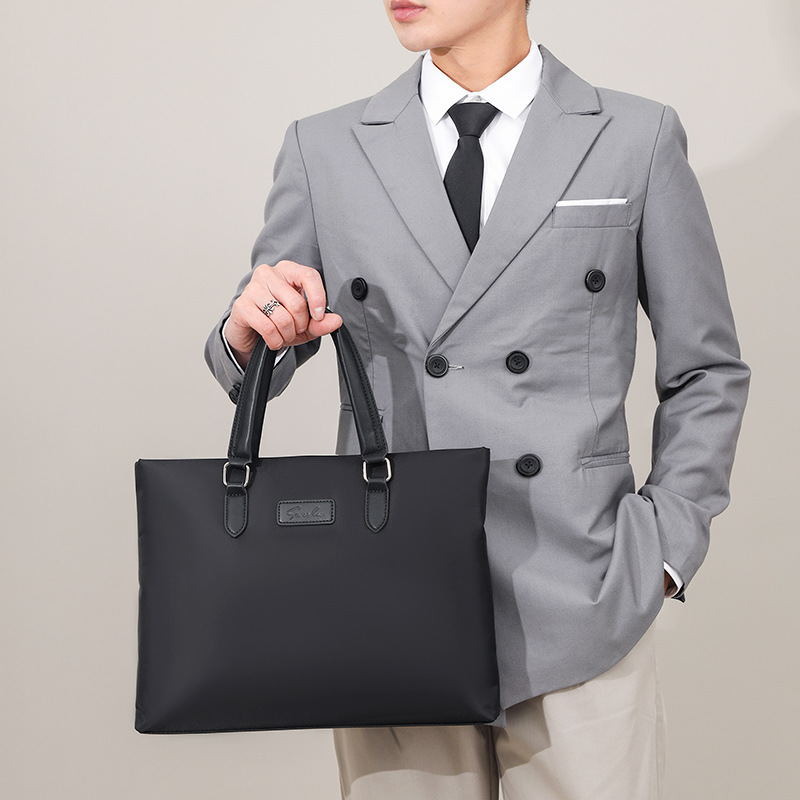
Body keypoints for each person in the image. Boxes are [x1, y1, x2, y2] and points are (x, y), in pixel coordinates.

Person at [204, 0, 751, 796]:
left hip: (582, 594)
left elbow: (707, 368)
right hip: (391, 595)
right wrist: (250, 327)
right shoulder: (324, 148)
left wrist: (664, 550)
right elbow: (259, 352)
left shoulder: (635, 137)